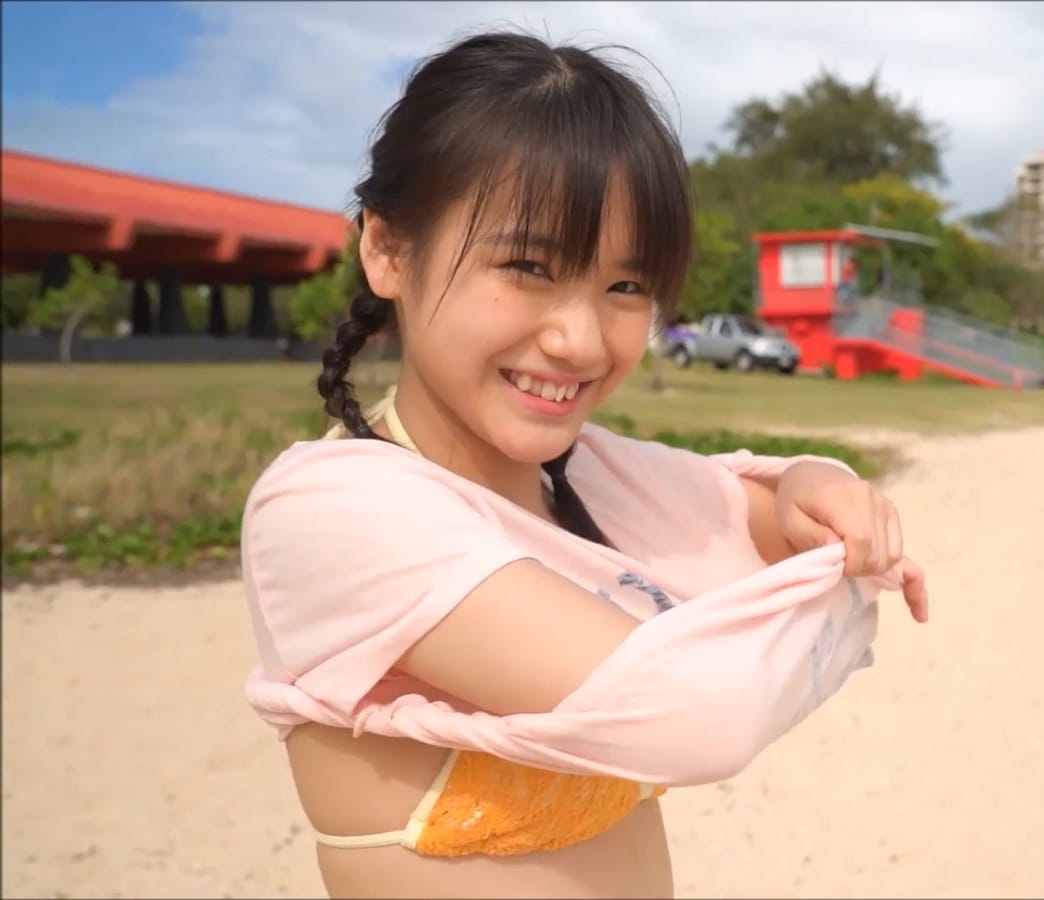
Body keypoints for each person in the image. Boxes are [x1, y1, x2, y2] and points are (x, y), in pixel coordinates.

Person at [236, 28, 929, 900]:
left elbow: (785, 508)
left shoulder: (586, 473)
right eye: (527, 267)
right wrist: (838, 589)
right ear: (388, 250)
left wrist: (814, 483)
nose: (581, 340)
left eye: (625, 287)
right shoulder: (331, 509)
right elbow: (704, 715)